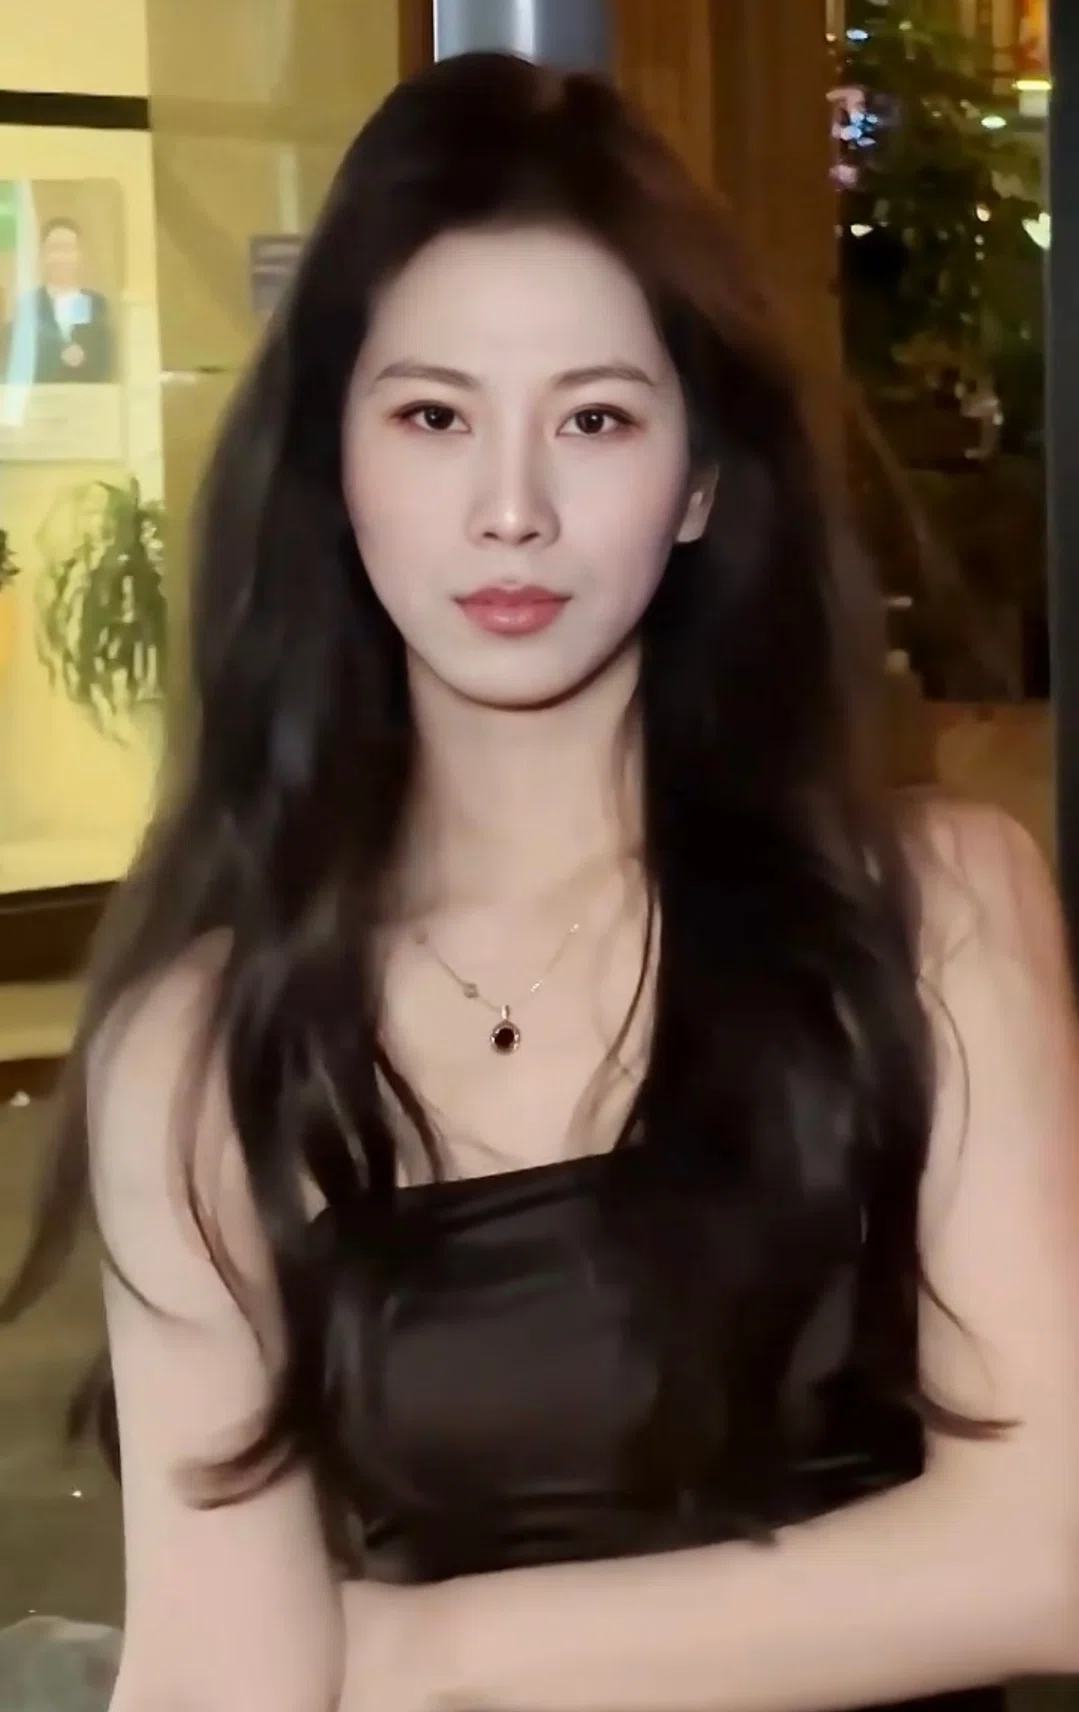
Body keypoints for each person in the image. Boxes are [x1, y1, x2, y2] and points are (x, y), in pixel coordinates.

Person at [3, 51, 1077, 1712]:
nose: (509, 510)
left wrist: (427, 1648)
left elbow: (1049, 1555)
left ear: (698, 478)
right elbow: (222, 1675)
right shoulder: (207, 1045)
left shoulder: (931, 913)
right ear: (336, 466)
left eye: (593, 419)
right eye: (433, 417)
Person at [6, 216, 114, 384]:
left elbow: (105, 361)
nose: (61, 258)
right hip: (42, 396)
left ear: (79, 255)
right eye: (54, 249)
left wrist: (84, 358)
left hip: (86, 395)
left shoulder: (96, 303)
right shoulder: (29, 305)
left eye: (68, 249)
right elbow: (18, 362)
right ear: (43, 255)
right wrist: (58, 355)